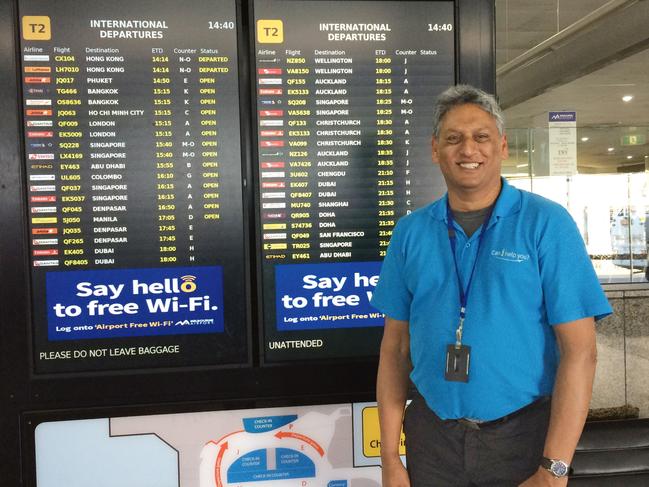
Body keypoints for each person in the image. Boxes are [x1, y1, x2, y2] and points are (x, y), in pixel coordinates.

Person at [371, 84, 612, 487]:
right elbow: (395, 349)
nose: (468, 150)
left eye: (481, 137)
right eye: (454, 139)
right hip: (432, 440)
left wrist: (554, 469)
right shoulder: (410, 232)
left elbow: (581, 352)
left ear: (502, 147)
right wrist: (391, 461)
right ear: (435, 150)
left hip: (522, 438)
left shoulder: (546, 224)